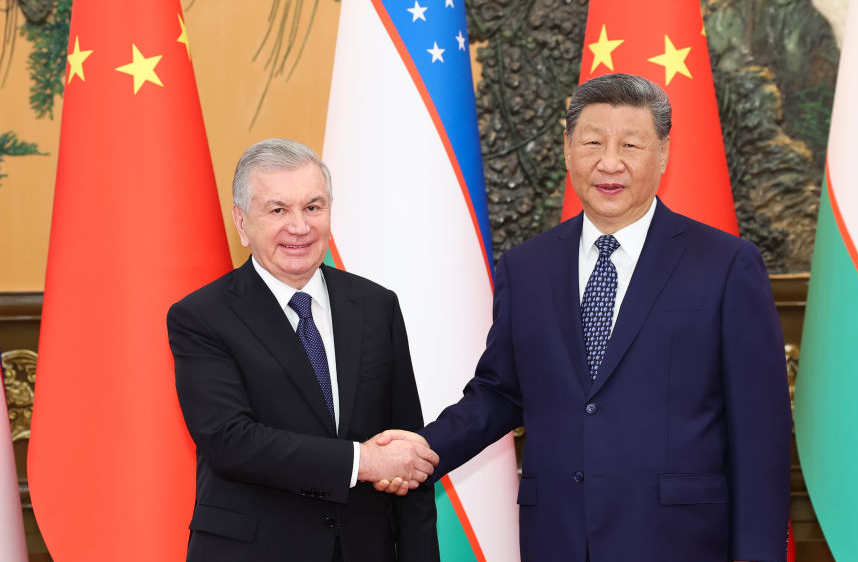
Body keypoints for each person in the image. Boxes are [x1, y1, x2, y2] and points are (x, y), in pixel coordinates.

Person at [377, 74, 792, 561]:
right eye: (593, 142)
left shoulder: (725, 264)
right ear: (569, 148)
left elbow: (760, 431)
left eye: (631, 144)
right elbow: (498, 394)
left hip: (681, 540)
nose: (609, 162)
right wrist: (421, 449)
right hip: (559, 538)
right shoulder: (525, 267)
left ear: (663, 154)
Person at [167, 138, 439, 562]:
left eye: (313, 207)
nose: (299, 226)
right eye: (278, 210)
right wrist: (361, 462)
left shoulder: (375, 305)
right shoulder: (202, 317)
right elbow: (230, 442)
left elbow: (406, 447)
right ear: (241, 222)